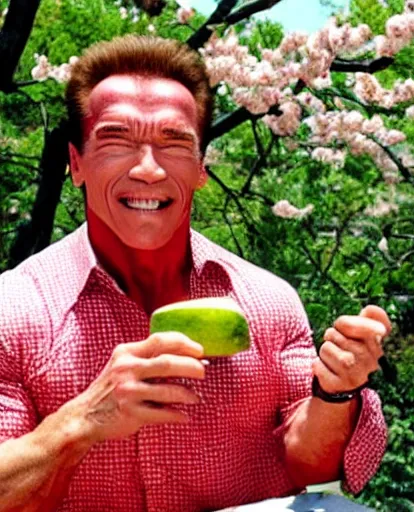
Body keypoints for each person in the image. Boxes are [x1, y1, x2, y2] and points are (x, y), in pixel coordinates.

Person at [0, 36, 389, 511]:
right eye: (116, 139)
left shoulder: (268, 302)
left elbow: (313, 468)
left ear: (201, 167)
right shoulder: (14, 310)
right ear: (75, 163)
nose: (148, 169)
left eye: (174, 142)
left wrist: (335, 390)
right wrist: (80, 422)